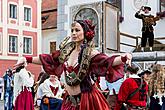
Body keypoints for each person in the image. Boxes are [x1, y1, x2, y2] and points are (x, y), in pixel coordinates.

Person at [24, 19, 132, 110]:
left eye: (77, 30)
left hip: (87, 100)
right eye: (72, 31)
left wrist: (123, 57)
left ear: (85, 32)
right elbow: (48, 59)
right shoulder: (66, 52)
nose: (74, 33)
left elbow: (106, 61)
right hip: (69, 100)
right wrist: (26, 59)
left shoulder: (90, 52)